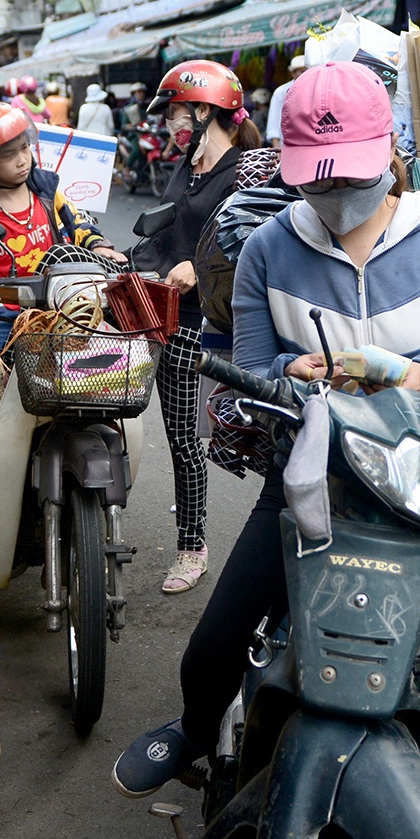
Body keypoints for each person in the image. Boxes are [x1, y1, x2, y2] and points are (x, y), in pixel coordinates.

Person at [113, 63, 420, 839]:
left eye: (349, 174)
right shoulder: (266, 251)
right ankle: (197, 735)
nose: (336, 193)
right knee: (210, 651)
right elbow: (247, 373)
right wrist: (292, 373)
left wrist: (417, 374)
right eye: (318, 179)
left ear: (387, 156)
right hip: (309, 481)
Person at [139, 59, 262, 593]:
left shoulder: (245, 173)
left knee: (204, 441)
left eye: (176, 113)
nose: (170, 124)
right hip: (163, 316)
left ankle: (198, 548)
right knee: (176, 437)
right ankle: (185, 543)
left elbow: (252, 242)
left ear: (207, 111)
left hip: (208, 326)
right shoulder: (186, 166)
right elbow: (164, 231)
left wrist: (203, 263)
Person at [0, 101, 126, 409]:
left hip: (60, 306)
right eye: (8, 155)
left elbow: (79, 224)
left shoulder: (48, 194)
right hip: (5, 313)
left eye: (24, 148)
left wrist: (99, 246)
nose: (22, 160)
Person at [262, 53, 307, 150]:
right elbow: (274, 124)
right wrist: (277, 150)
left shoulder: (314, 89)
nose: (306, 74)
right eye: (302, 71)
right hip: (288, 147)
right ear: (293, 73)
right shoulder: (281, 92)